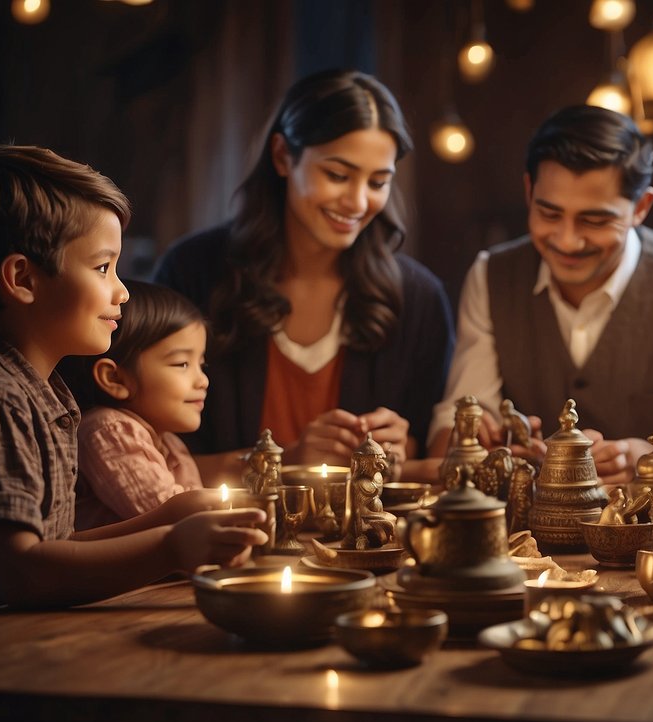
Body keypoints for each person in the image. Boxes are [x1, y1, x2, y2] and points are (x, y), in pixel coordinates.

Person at [0, 144, 266, 722]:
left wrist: (175, 515)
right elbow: (21, 572)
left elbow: (53, 545)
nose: (123, 291)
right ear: (22, 278)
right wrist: (169, 546)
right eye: (103, 268)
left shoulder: (36, 390)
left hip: (12, 668)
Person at [153, 69, 454, 485]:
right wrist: (289, 461)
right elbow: (144, 456)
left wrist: (402, 450)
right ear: (282, 156)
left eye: (378, 182)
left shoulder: (420, 300)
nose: (358, 201)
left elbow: (426, 448)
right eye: (337, 175)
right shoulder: (193, 273)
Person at [428, 104, 653, 483]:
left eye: (595, 220)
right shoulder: (491, 276)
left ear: (641, 207)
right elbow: (447, 439)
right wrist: (474, 435)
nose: (568, 240)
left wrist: (649, 460)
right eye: (549, 214)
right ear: (529, 191)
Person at [64, 280, 209, 530]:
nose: (203, 380)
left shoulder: (171, 445)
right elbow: (179, 517)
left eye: (201, 365)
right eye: (182, 364)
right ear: (115, 378)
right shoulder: (108, 430)